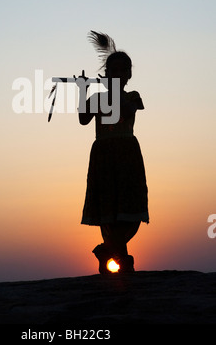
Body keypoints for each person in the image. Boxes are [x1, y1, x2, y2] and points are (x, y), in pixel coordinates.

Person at [77, 31, 149, 274]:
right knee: (109, 209)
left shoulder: (132, 96)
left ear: (128, 74)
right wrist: (82, 90)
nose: (117, 73)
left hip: (127, 154)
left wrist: (108, 91)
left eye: (122, 70)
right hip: (104, 154)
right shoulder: (98, 97)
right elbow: (83, 119)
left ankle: (108, 251)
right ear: (106, 73)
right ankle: (119, 258)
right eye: (113, 70)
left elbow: (125, 111)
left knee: (131, 209)